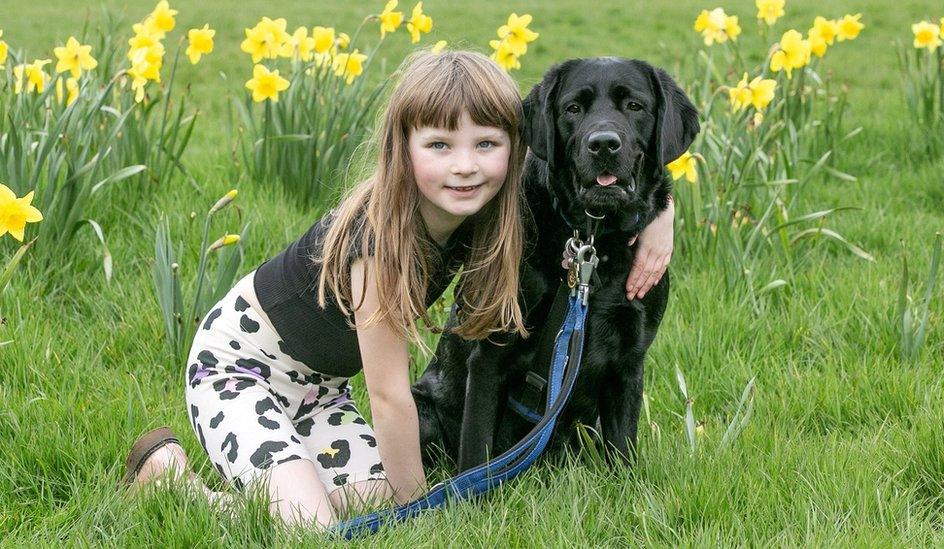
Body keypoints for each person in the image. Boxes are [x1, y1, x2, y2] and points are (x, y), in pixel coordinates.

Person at [121, 50, 676, 531]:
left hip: (321, 391)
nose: (465, 166)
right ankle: (174, 482)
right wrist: (425, 510)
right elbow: (388, 394)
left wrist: (661, 215)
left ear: (514, 147)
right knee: (311, 527)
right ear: (402, 148)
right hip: (238, 372)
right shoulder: (377, 242)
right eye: (439, 144)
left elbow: (598, 179)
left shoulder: (482, 202)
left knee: (379, 495)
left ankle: (291, 479)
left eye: (486, 143)